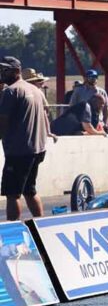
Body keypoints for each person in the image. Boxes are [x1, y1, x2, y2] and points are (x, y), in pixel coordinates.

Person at [0, 57, 57, 221]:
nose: (2, 73)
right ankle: (41, 223)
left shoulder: (11, 91)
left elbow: (3, 121)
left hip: (19, 151)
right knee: (29, 190)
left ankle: (13, 229)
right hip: (37, 149)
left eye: (5, 70)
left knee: (12, 193)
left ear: (16, 71)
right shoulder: (35, 90)